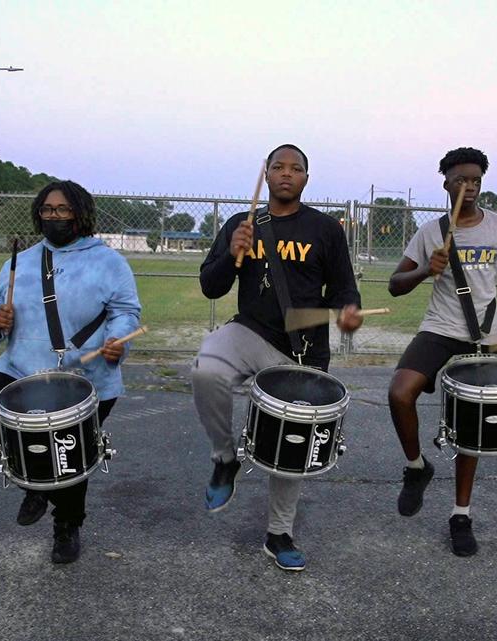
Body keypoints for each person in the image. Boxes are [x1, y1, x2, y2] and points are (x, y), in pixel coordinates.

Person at [191, 144, 363, 571]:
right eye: (278, 167)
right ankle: (224, 458)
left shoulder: (324, 229)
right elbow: (210, 288)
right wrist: (233, 254)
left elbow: (343, 288)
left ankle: (279, 533)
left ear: (307, 178)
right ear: (265, 174)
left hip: (302, 349)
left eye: (296, 168)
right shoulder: (241, 223)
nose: (287, 174)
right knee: (206, 368)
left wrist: (349, 311)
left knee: (292, 443)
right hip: (249, 331)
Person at [387, 147, 497, 556]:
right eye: (461, 179)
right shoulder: (431, 231)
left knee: (472, 429)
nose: (470, 186)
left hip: (483, 335)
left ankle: (460, 515)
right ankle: (416, 468)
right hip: (440, 329)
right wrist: (425, 270)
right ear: (445, 181)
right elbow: (395, 283)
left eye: (476, 179)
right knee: (399, 393)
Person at [0, 180, 141, 564]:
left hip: (86, 376)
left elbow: (126, 312)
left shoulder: (109, 261)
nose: (54, 217)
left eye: (63, 210)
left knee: (70, 453)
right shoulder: (22, 260)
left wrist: (117, 341)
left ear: (80, 215)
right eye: (47, 210)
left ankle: (68, 523)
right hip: (20, 368)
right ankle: (35, 482)